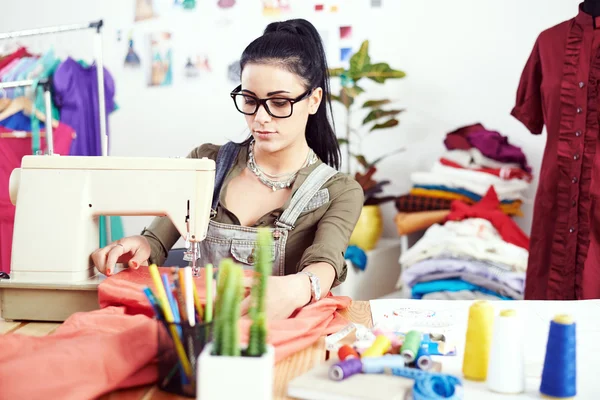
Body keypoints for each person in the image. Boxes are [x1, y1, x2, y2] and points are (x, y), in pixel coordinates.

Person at [91, 18, 364, 319]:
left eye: (279, 102)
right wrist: (139, 245)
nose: (260, 117)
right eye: (249, 100)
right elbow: (157, 240)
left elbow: (325, 262)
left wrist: (300, 286)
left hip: (275, 336)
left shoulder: (338, 191)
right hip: (202, 329)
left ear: (313, 100)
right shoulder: (205, 164)